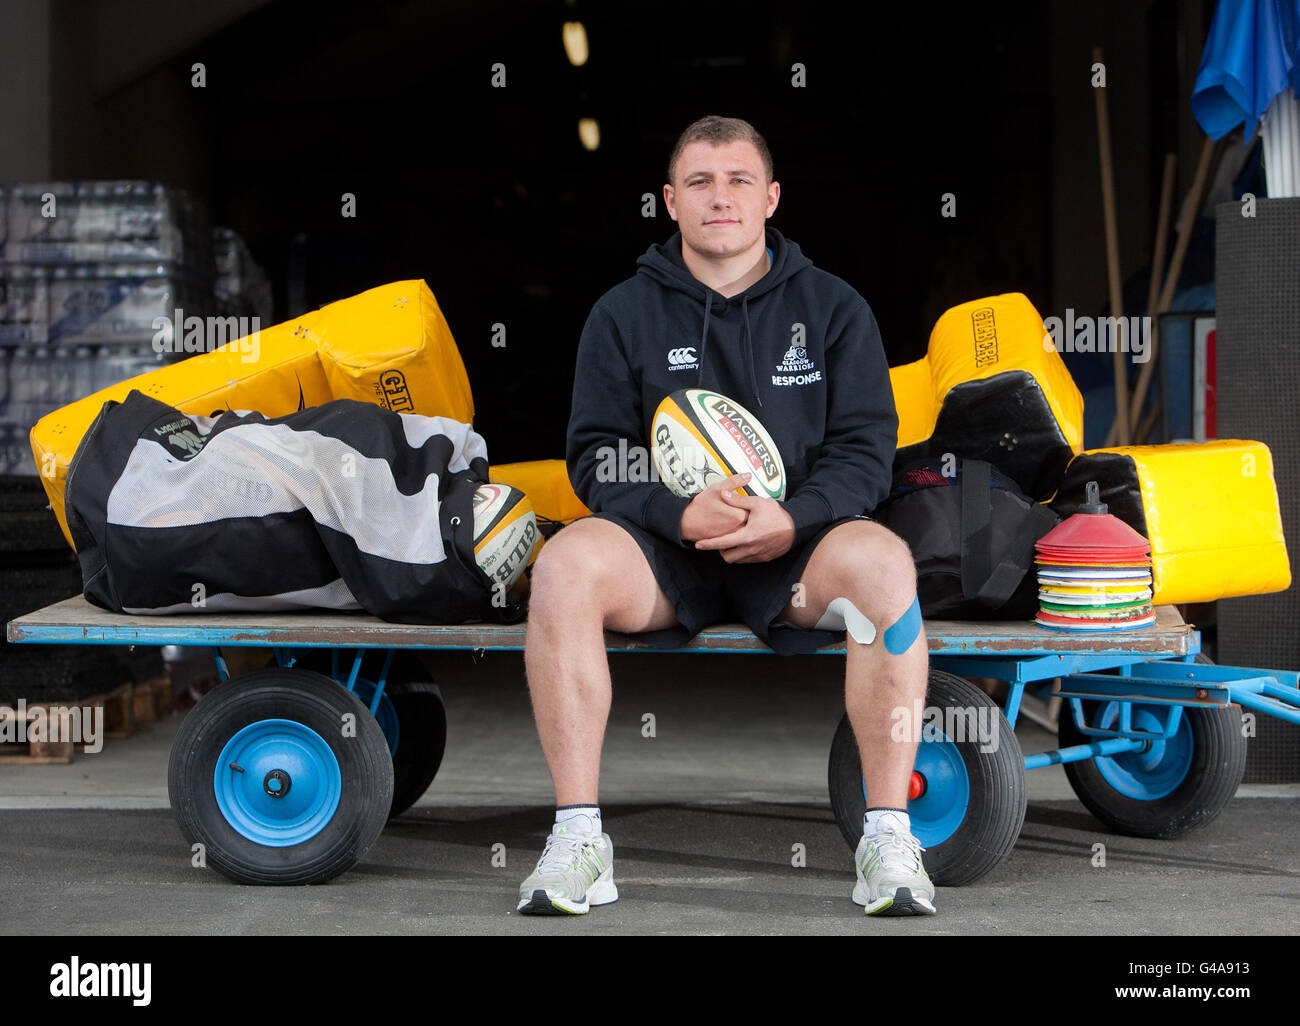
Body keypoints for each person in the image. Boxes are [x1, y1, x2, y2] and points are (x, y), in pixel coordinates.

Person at [517, 115, 935, 917]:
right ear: (669, 201)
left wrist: (794, 516)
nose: (721, 198)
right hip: (664, 553)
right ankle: (578, 839)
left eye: (739, 180)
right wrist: (677, 514)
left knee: (885, 564)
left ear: (771, 197)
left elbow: (864, 454)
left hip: (799, 551)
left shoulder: (835, 308)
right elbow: (595, 458)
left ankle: (887, 835)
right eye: (700, 183)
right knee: (566, 563)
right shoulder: (621, 313)